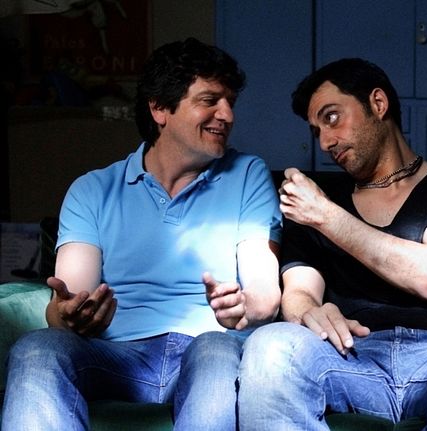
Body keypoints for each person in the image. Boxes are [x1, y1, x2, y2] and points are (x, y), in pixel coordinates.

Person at [1, 37, 282, 430]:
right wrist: (67, 315)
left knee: (217, 350)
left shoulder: (248, 174)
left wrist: (246, 306)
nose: (227, 115)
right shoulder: (92, 190)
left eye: (230, 102)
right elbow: (68, 301)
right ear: (159, 108)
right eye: (210, 100)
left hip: (206, 348)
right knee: (38, 348)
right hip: (116, 355)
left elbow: (264, 292)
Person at [237, 57, 427, 430]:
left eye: (332, 117)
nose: (325, 142)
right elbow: (299, 291)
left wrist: (326, 216)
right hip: (350, 356)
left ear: (378, 103)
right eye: (316, 130)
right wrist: (306, 311)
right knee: (271, 344)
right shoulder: (316, 204)